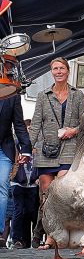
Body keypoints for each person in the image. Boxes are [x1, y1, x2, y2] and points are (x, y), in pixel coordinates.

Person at [29, 57, 84, 250]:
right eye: (55, 69)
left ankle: (61, 234)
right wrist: (27, 149)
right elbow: (36, 124)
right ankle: (50, 237)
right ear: (51, 71)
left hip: (69, 149)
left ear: (68, 71)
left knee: (61, 194)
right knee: (46, 196)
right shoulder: (42, 95)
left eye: (62, 68)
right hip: (47, 150)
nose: (59, 71)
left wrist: (74, 131)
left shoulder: (77, 95)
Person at [0, 95, 32, 248]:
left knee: (2, 187)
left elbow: (19, 124)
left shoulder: (12, 95)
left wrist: (26, 148)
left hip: (3, 149)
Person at [10, 119, 39, 249]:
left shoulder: (38, 146)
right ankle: (16, 239)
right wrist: (13, 175)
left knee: (32, 212)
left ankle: (29, 240)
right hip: (18, 183)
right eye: (28, 129)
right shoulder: (16, 145)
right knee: (18, 211)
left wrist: (38, 177)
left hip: (33, 184)